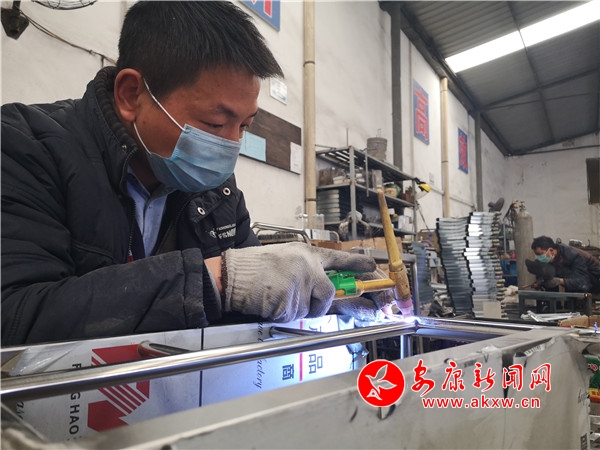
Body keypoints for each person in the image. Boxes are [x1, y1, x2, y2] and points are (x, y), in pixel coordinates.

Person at [1, 1, 402, 346]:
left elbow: (248, 303)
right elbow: (14, 315)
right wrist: (216, 279)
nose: (230, 145)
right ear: (131, 95)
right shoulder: (25, 148)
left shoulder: (215, 191)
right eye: (214, 123)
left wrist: (322, 298)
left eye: (244, 127)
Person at [529, 236, 600, 293]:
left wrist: (559, 281)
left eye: (540, 254)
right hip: (579, 280)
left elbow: (583, 281)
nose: (539, 257)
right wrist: (540, 282)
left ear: (551, 250)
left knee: (559, 274)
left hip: (594, 280)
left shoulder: (572, 256)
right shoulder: (553, 257)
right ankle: (554, 305)